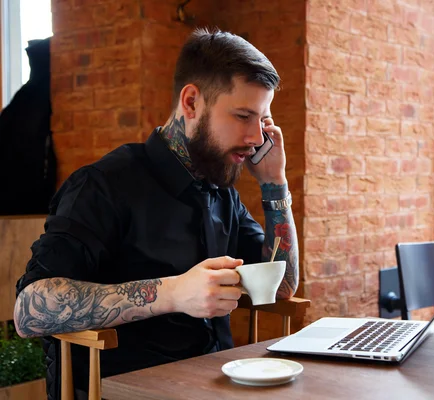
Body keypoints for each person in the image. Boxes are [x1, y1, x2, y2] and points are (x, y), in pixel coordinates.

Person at [13, 28, 299, 399]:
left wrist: (275, 184)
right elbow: (30, 310)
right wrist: (174, 293)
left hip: (213, 386)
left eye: (262, 121)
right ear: (192, 102)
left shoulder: (221, 191)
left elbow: (282, 285)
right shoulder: (104, 185)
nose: (257, 138)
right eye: (244, 116)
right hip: (122, 391)